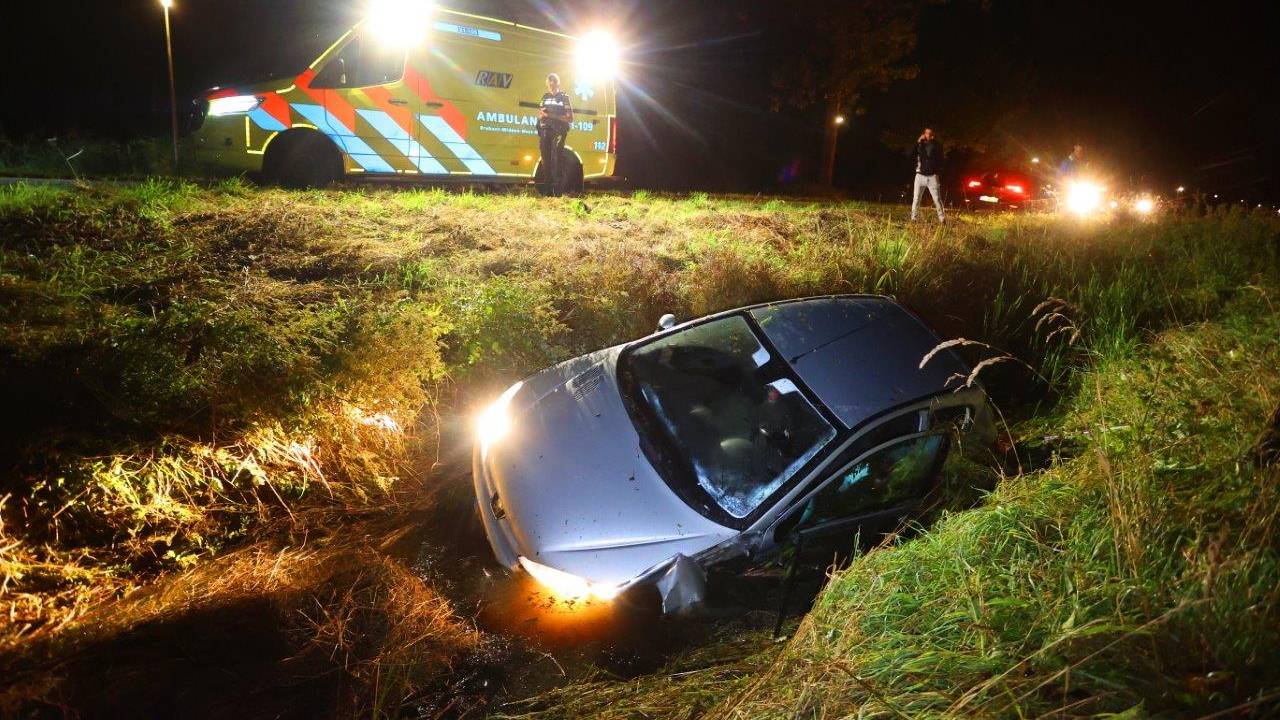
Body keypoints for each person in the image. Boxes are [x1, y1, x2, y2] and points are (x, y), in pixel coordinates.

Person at [538, 73, 574, 196]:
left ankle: (557, 191)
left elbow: (570, 118)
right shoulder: (545, 97)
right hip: (545, 131)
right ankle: (548, 189)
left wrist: (551, 116)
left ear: (557, 83)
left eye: (553, 81)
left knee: (556, 159)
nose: (551, 84)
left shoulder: (564, 97)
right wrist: (542, 120)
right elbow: (541, 114)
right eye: (549, 82)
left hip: (559, 131)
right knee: (545, 159)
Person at [911, 128, 945, 222]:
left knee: (937, 199)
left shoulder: (937, 146)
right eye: (926, 133)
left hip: (932, 176)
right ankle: (913, 218)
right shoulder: (920, 145)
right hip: (920, 175)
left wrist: (936, 171)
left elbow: (940, 160)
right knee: (916, 198)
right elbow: (912, 153)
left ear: (933, 135)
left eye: (929, 133)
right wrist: (918, 141)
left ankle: (942, 219)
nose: (927, 135)